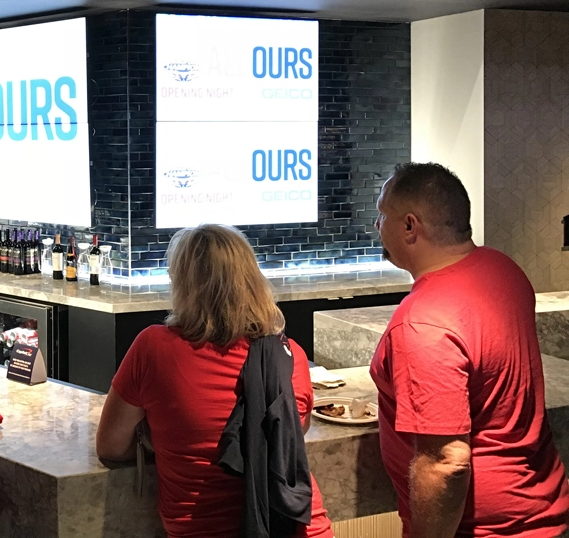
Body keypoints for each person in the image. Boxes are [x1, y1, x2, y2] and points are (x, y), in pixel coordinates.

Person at [96, 224, 333, 538]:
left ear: (182, 284)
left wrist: (163, 441)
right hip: (299, 528)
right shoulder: (290, 355)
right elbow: (290, 435)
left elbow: (111, 446)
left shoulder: (153, 348)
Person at [370, 162, 569, 537]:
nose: (377, 227)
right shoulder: (504, 269)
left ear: (410, 226)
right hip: (542, 508)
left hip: (485, 529)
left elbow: (447, 461)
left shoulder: (424, 322)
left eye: (382, 216)